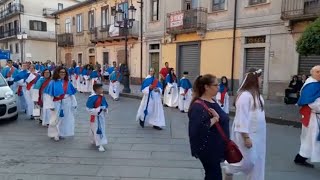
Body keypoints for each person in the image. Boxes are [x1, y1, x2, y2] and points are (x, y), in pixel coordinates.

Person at [224, 68, 266, 180]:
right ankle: (229, 170)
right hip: (247, 134)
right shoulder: (245, 96)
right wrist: (246, 137)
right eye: (260, 77)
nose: (262, 80)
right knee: (245, 161)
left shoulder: (258, 96)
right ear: (254, 79)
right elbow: (241, 117)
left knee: (258, 161)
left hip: (259, 135)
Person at [188, 74, 229, 180]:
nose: (218, 88)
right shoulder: (198, 106)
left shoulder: (212, 101)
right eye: (215, 85)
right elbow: (196, 129)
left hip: (215, 147)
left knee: (212, 175)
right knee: (214, 176)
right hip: (208, 148)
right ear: (206, 87)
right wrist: (215, 119)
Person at [294, 65, 320, 168]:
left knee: (312, 139)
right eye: (317, 72)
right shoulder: (311, 85)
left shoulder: (317, 83)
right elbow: (310, 103)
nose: (319, 73)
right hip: (313, 117)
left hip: (316, 116)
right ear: (312, 73)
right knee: (310, 139)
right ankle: (300, 158)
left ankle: (301, 158)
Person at [43, 66, 77, 141]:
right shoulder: (52, 82)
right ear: (57, 73)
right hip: (56, 103)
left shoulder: (67, 82)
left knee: (64, 119)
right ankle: (54, 134)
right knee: (55, 119)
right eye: (61, 72)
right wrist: (50, 105)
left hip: (66, 103)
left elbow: (72, 94)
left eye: (64, 72)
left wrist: (74, 104)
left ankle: (61, 133)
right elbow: (48, 95)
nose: (63, 74)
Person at [86, 84, 109, 152]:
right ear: (96, 89)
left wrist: (105, 109)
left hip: (101, 116)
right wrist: (98, 110)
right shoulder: (91, 98)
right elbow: (88, 109)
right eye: (100, 88)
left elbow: (105, 105)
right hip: (95, 116)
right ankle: (99, 144)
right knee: (95, 128)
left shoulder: (102, 97)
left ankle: (99, 142)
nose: (102, 89)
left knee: (101, 129)